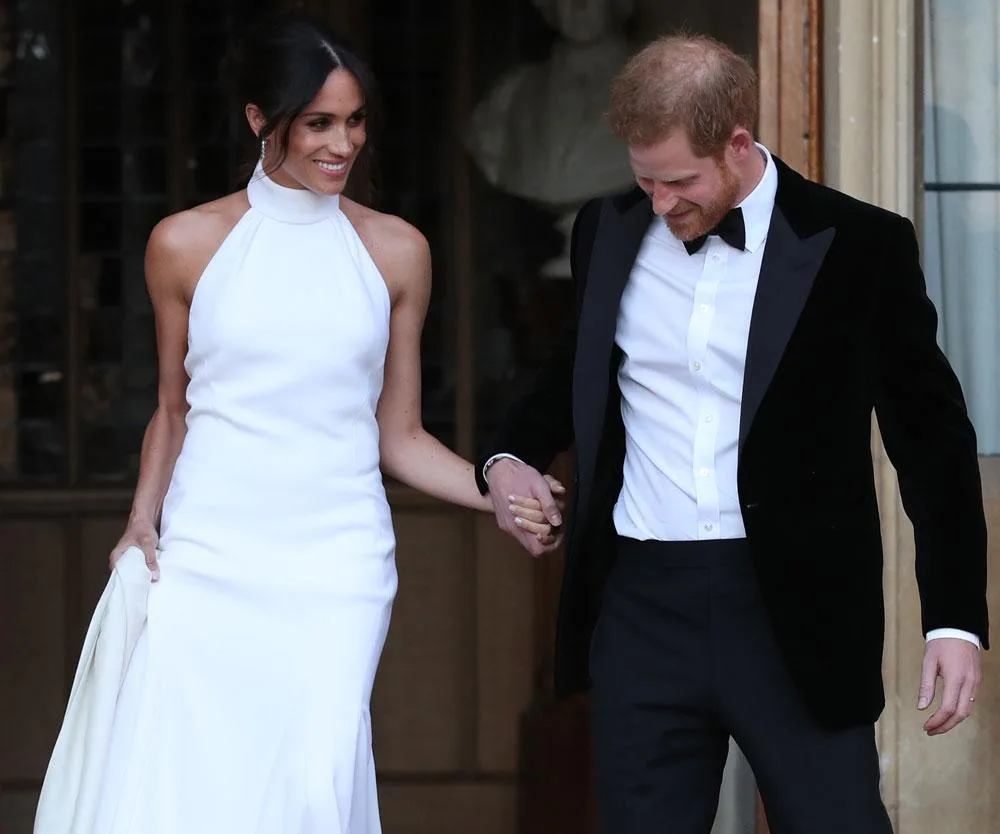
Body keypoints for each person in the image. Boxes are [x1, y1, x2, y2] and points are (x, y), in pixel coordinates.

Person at [37, 12, 560, 834]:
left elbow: (402, 437)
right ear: (259, 120)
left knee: (314, 786)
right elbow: (174, 411)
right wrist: (142, 522)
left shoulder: (396, 252)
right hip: (210, 558)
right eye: (318, 122)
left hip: (337, 565)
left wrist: (494, 485)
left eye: (355, 122)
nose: (342, 143)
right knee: (193, 791)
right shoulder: (184, 244)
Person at [477, 34, 988, 834]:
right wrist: (506, 461)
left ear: (740, 145)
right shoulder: (605, 233)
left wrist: (953, 618)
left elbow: (933, 440)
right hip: (642, 605)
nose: (657, 202)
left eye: (678, 180)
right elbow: (563, 382)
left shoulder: (860, 245)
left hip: (795, 611)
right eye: (642, 178)